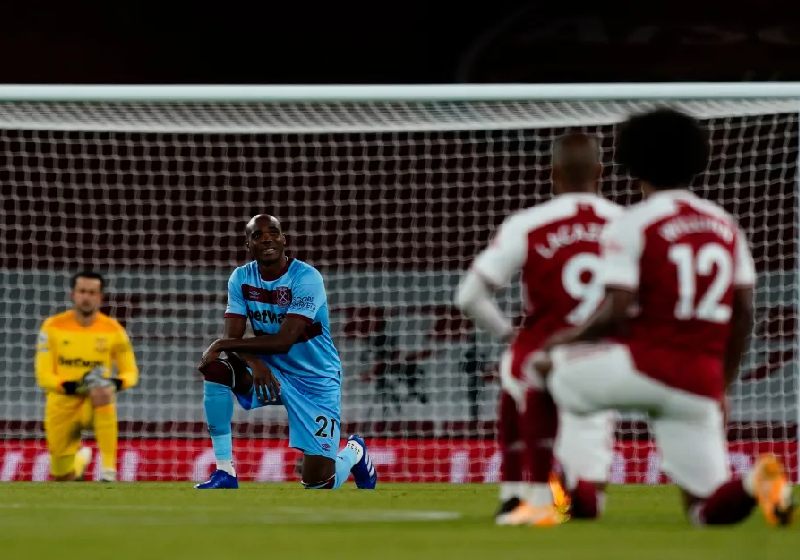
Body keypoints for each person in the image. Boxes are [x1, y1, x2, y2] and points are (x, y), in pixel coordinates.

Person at [534, 108, 794, 526]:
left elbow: (617, 311)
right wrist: (721, 385)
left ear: (632, 163)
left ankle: (582, 491)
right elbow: (744, 312)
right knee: (704, 511)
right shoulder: (725, 225)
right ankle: (753, 483)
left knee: (548, 371)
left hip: (643, 365)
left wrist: (563, 341)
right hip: (698, 381)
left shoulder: (633, 223)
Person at [456, 133, 620, 525]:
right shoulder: (626, 224)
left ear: (553, 173)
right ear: (600, 172)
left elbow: (469, 296)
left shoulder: (528, 224)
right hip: (601, 364)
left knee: (514, 380)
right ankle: (573, 492)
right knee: (588, 501)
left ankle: (517, 494)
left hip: (539, 355)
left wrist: (508, 334)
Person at [195, 214, 377, 490]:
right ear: (248, 244)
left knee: (319, 483)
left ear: (283, 239)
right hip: (270, 374)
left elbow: (284, 340)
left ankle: (354, 452)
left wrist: (220, 344)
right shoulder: (241, 278)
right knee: (216, 369)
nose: (267, 239)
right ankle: (225, 471)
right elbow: (234, 337)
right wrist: (255, 363)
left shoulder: (306, 278)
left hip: (316, 380)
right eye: (258, 235)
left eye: (273, 232)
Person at [35, 271, 139, 482]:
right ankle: (81, 459)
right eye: (82, 291)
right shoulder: (52, 326)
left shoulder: (113, 330)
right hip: (61, 404)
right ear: (73, 294)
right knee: (63, 476)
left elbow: (131, 373)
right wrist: (74, 386)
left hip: (94, 402)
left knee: (102, 391)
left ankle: (108, 470)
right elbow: (43, 376)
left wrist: (113, 383)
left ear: (100, 297)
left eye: (92, 293)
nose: (86, 297)